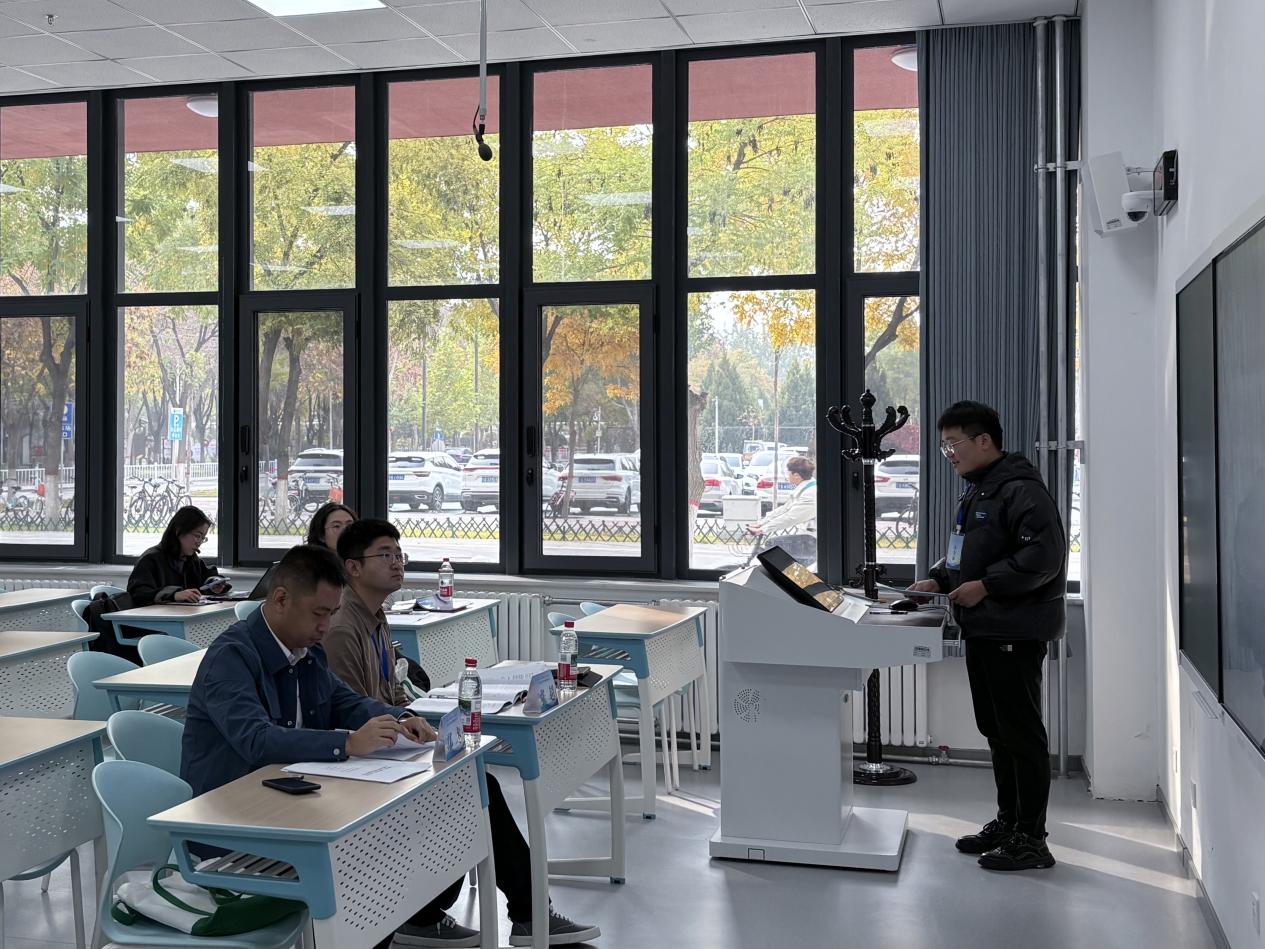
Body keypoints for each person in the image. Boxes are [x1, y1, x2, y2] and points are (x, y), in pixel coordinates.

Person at [323, 519, 601, 949]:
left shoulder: (375, 617)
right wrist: (402, 725)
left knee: (474, 784)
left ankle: (443, 913)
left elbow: (391, 693)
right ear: (353, 567)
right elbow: (350, 710)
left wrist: (412, 718)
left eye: (399, 554)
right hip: (362, 761)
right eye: (385, 555)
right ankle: (514, 913)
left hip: (388, 743)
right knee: (472, 788)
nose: (397, 563)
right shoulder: (343, 627)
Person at [908, 401, 1067, 872]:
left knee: (1021, 734)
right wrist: (939, 578)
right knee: (997, 731)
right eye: (944, 446)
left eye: (953, 444)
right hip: (985, 629)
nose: (949, 454)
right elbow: (966, 556)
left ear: (984, 441)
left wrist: (988, 586)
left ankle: (1032, 840)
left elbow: (1044, 558)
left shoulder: (1021, 491)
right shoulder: (979, 491)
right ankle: (1009, 822)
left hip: (1014, 629)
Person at [127, 505, 227, 606]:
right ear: (179, 531)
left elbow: (207, 577)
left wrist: (214, 584)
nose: (199, 542)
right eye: (197, 536)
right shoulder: (150, 559)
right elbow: (138, 593)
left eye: (203, 538)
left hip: (186, 614)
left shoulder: (192, 560)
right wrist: (174, 595)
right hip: (156, 615)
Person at [748, 454, 817, 536]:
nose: (786, 476)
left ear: (796, 475)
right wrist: (762, 523)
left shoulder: (810, 494)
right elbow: (785, 509)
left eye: (788, 473)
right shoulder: (805, 487)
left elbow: (791, 517)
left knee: (774, 542)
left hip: (814, 537)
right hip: (807, 533)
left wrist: (763, 529)